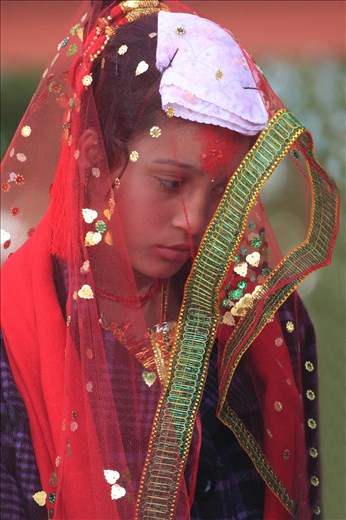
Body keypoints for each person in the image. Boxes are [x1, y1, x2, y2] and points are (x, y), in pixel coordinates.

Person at [0, 1, 339, 519]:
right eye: (171, 183)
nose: (196, 219)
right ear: (95, 161)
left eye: (225, 190)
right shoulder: (16, 335)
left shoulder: (267, 326)